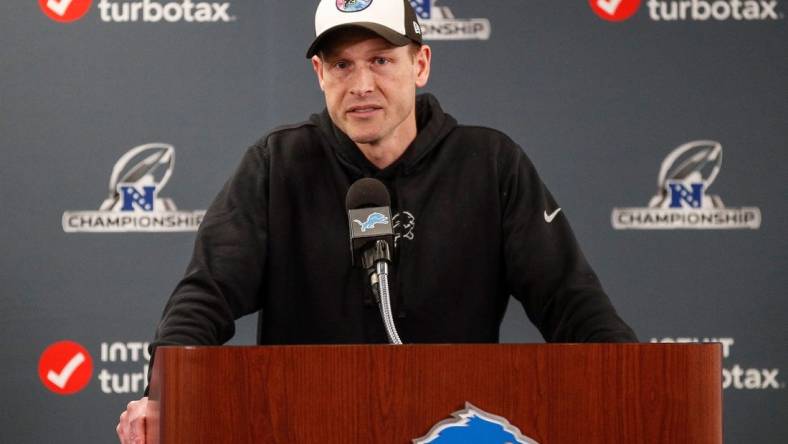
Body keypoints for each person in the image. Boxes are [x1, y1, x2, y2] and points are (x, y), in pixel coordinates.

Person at [116, 0, 637, 442]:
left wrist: (636, 389)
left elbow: (571, 301)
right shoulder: (278, 164)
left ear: (421, 64)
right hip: (306, 425)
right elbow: (205, 294)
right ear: (320, 74)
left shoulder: (490, 163)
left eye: (381, 60)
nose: (361, 84)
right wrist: (160, 398)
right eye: (342, 65)